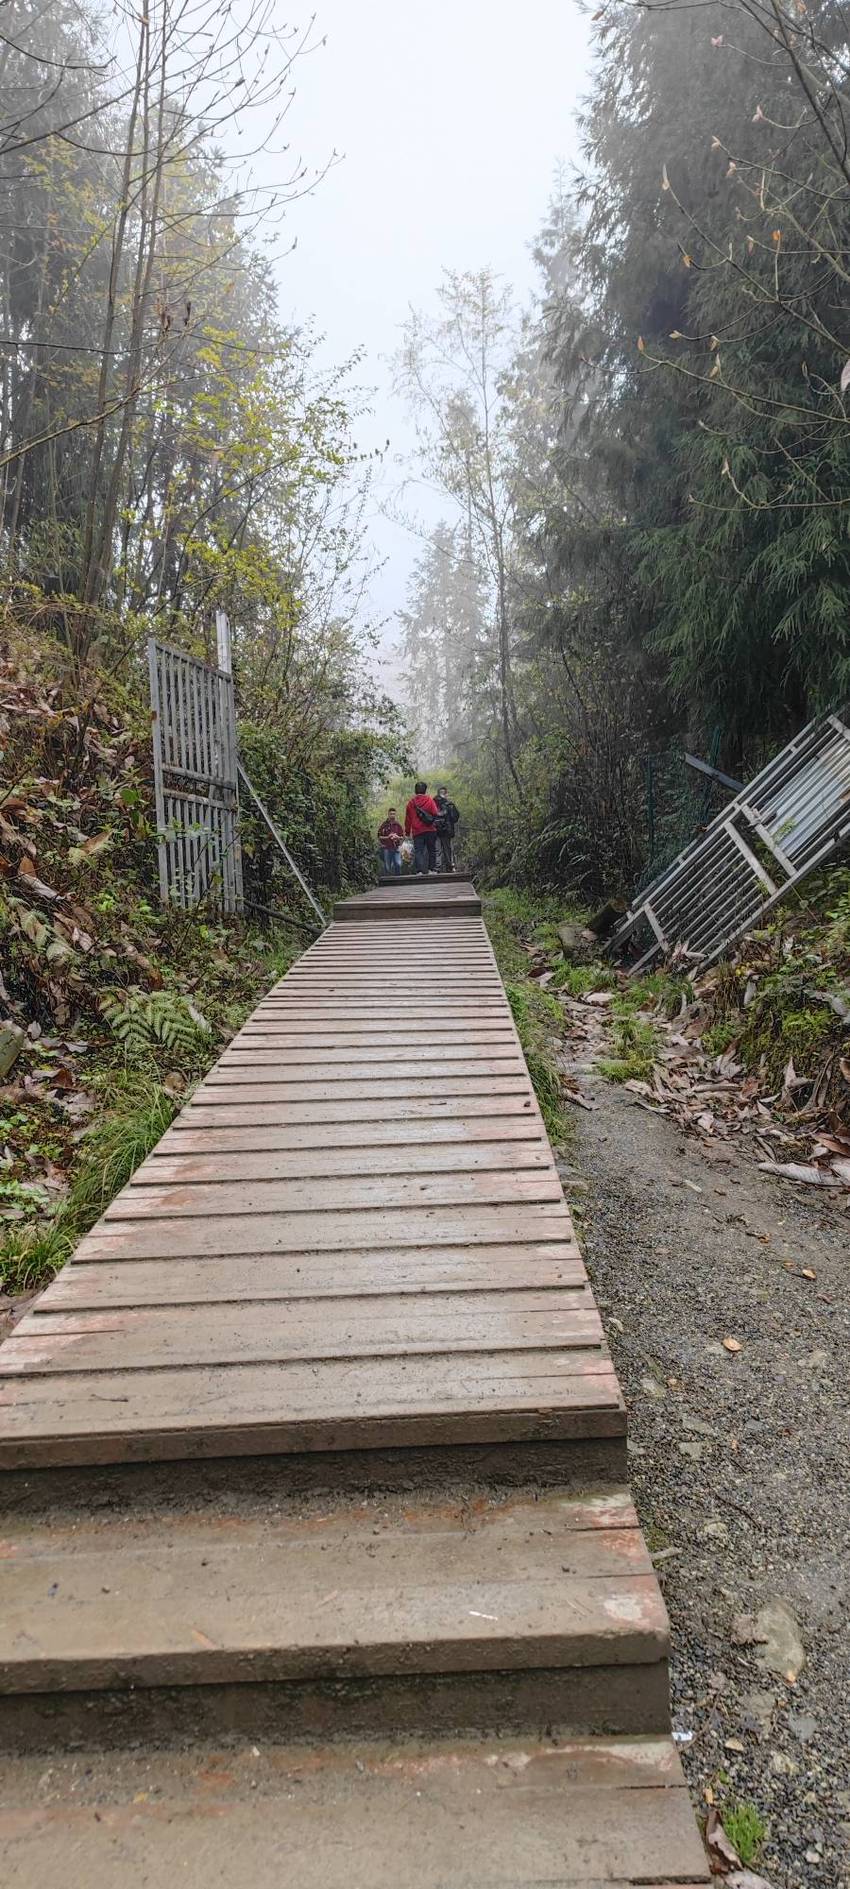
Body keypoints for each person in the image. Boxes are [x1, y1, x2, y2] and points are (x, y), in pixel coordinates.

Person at [404, 779, 440, 875]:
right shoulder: (429, 800)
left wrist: (407, 832)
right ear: (425, 790)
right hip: (430, 829)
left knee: (419, 851)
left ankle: (419, 871)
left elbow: (408, 819)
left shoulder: (411, 803)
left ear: (415, 791)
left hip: (417, 831)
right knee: (431, 850)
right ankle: (432, 870)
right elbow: (435, 813)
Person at [434, 786, 460, 872]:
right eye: (441, 792)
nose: (442, 794)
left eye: (443, 792)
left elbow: (455, 817)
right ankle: (442, 868)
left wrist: (451, 808)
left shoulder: (449, 804)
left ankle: (445, 867)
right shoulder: (435, 803)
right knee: (441, 849)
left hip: (442, 830)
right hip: (438, 830)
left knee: (444, 849)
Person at [377, 807, 404, 874]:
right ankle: (388, 882)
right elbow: (379, 836)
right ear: (388, 814)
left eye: (394, 814)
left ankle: (398, 879)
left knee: (398, 864)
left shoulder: (397, 825)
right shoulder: (384, 825)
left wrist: (397, 837)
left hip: (396, 847)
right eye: (391, 814)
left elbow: (402, 837)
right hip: (386, 848)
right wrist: (388, 837)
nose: (392, 815)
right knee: (387, 866)